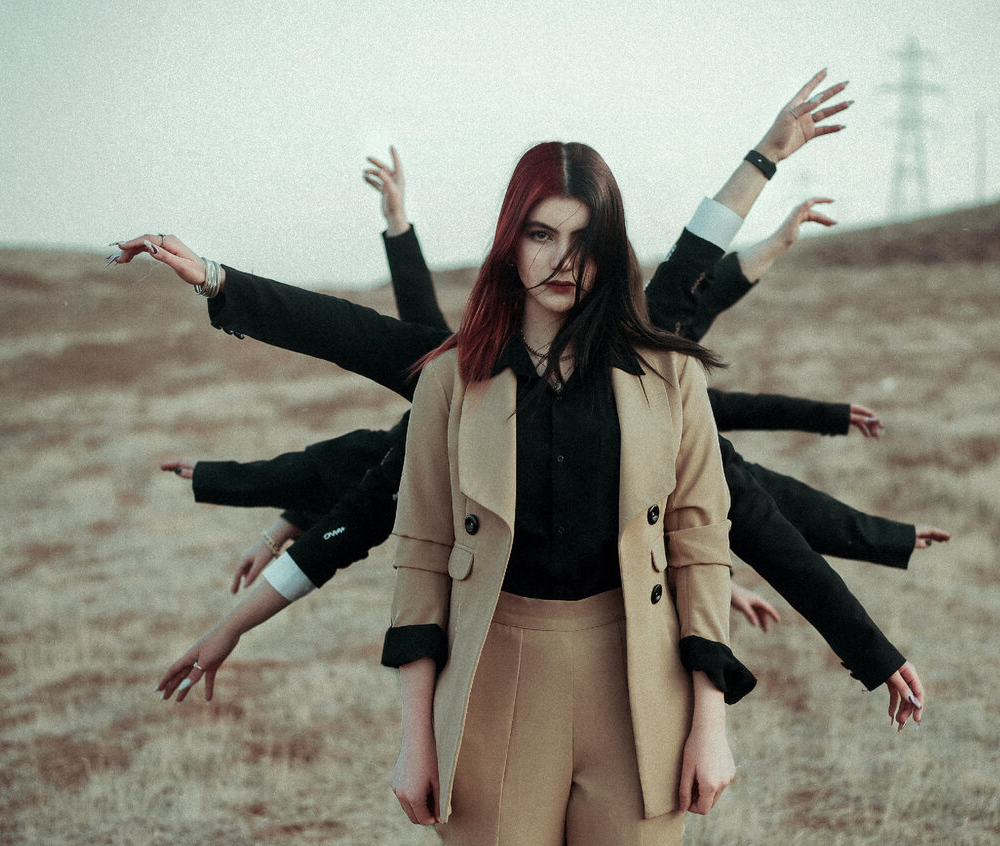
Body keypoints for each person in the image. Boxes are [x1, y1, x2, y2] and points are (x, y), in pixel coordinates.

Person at [124, 73, 924, 745]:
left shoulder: (652, 377)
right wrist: (218, 280)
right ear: (511, 243)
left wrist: (872, 649)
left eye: (585, 241)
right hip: (500, 680)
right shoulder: (459, 382)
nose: (563, 261)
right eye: (541, 235)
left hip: (633, 682)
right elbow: (345, 405)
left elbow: (763, 522)